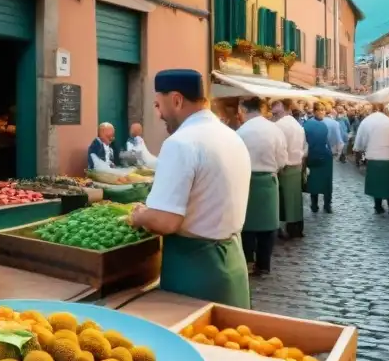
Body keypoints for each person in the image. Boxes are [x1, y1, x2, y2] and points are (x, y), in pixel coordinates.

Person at [129, 70, 251, 307]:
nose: (159, 114)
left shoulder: (180, 142)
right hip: (232, 262)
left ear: (176, 100)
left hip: (195, 270)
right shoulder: (231, 136)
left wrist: (140, 216)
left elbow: (166, 221)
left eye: (158, 105)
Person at [235, 97, 286, 275]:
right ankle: (264, 264)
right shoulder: (274, 130)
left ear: (244, 110)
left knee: (247, 225)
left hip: (246, 180)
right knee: (268, 225)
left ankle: (248, 261)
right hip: (268, 180)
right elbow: (282, 160)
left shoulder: (241, 132)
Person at [353, 103, 389, 214]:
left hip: (373, 156)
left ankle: (378, 206)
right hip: (388, 156)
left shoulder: (366, 121)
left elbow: (361, 139)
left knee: (376, 183)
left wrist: (360, 148)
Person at [271, 99, 307, 238]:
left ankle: (285, 228)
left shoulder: (279, 126)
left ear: (282, 108)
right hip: (297, 165)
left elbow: (278, 148)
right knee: (295, 199)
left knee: (283, 200)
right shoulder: (298, 126)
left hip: (284, 166)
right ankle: (297, 228)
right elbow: (304, 146)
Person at [303, 104, 341, 213]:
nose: (321, 112)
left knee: (325, 182)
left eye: (323, 110)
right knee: (316, 181)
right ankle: (316, 204)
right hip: (316, 155)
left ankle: (326, 204)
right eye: (319, 110)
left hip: (322, 156)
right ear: (314, 111)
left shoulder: (308, 124)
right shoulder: (309, 125)